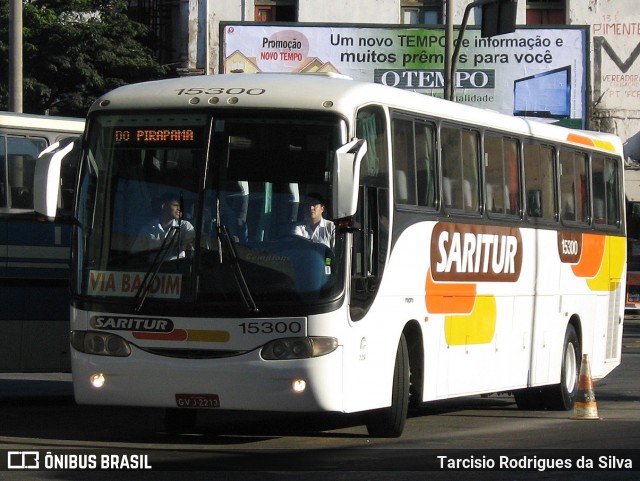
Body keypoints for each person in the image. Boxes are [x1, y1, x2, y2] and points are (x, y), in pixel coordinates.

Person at [132, 192, 195, 257]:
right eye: (176, 205)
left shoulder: (185, 226)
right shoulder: (148, 229)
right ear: (163, 206)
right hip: (154, 267)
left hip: (178, 266)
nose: (179, 209)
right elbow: (136, 254)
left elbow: (193, 246)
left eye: (180, 206)